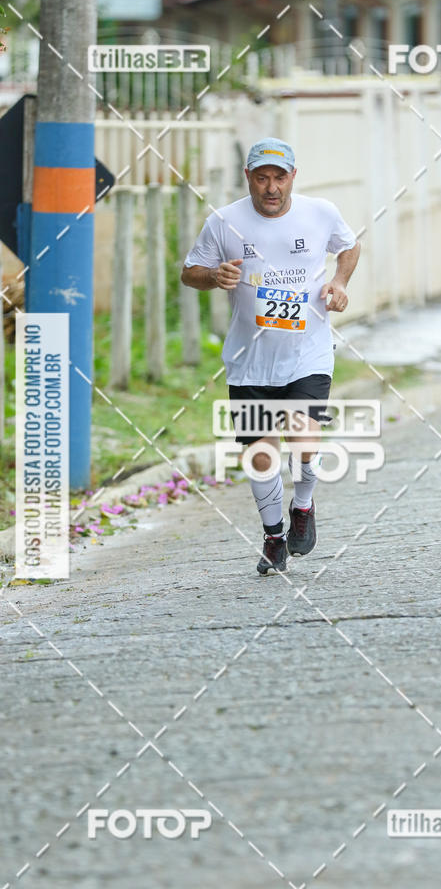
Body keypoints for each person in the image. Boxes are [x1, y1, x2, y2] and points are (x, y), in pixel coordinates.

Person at [181, 137, 361, 576]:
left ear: (293, 177)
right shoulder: (224, 222)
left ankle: (302, 507)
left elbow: (349, 246)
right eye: (262, 177)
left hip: (308, 350)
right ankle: (274, 535)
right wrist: (214, 275)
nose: (271, 187)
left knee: (303, 437)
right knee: (261, 457)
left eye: (280, 177)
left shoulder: (320, 213)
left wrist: (338, 283)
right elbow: (190, 272)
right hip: (250, 358)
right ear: (249, 178)